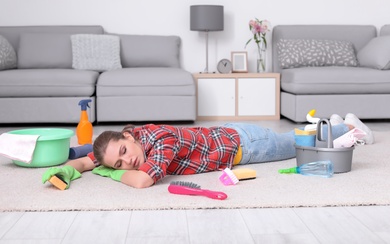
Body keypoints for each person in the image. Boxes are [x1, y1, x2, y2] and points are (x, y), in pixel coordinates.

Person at [42, 113, 374, 189]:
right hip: (234, 135)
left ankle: (349, 127)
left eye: (125, 151)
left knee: (296, 144)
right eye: (119, 161)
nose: (127, 160)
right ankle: (327, 124)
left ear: (130, 135)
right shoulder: (140, 137)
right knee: (294, 136)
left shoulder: (161, 141)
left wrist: (107, 170)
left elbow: (143, 182)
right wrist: (88, 161)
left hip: (246, 147)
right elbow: (98, 152)